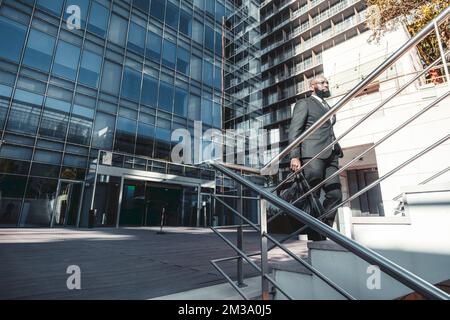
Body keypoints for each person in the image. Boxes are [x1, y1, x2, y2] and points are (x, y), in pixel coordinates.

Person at [288, 75, 344, 240]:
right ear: (312, 87)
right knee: (312, 193)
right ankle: (315, 233)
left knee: (335, 194)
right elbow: (295, 131)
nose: (326, 84)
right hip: (312, 153)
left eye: (327, 82)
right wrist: (294, 156)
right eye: (322, 82)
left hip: (331, 153)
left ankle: (323, 229)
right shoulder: (304, 103)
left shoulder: (327, 106)